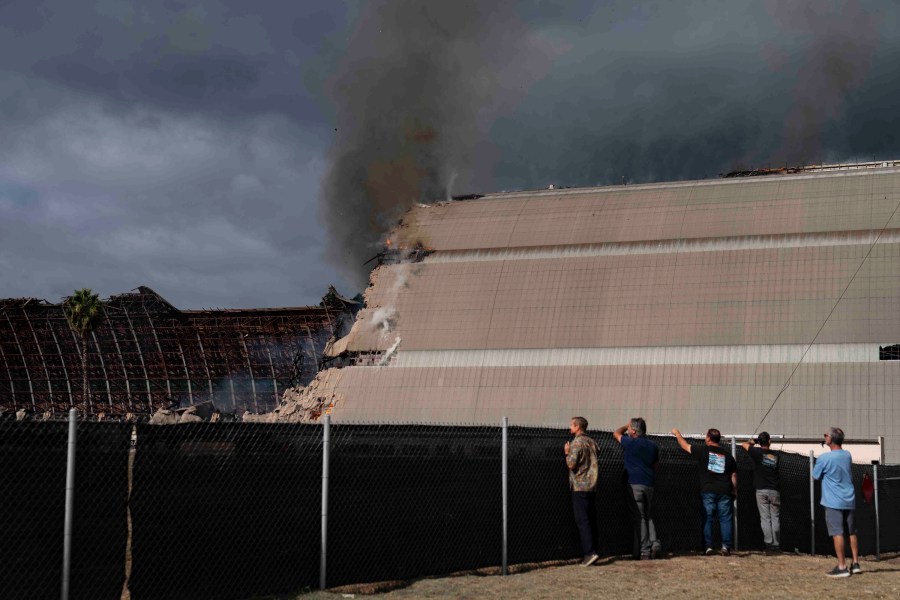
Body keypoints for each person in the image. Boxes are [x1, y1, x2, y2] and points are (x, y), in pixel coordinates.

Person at [672, 427, 737, 556]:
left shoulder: (703, 450)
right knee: (725, 519)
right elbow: (733, 475)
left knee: (708, 519)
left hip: (708, 490)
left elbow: (685, 446)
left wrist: (677, 433)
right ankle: (725, 547)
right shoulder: (729, 456)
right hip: (724, 491)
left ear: (708, 438)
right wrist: (734, 490)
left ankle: (708, 547)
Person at [812, 427, 861, 577]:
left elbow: (815, 476)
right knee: (851, 531)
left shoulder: (824, 458)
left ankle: (842, 567)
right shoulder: (847, 455)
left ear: (831, 439)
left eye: (826, 435)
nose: (824, 436)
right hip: (849, 498)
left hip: (834, 501)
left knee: (837, 532)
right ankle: (855, 563)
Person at [614, 417, 662, 560]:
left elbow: (616, 433)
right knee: (648, 515)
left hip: (634, 484)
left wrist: (625, 425)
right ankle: (655, 543)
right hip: (649, 484)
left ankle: (644, 550)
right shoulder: (653, 446)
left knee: (639, 517)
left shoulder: (630, 443)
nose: (628, 431)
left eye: (630, 429)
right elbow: (655, 466)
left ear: (633, 431)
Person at [565, 416, 600, 566]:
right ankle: (593, 550)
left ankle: (589, 553)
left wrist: (567, 452)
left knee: (582, 520)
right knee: (591, 519)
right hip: (592, 484)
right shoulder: (592, 442)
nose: (570, 428)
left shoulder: (577, 442)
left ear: (578, 427)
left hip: (579, 485)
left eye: (572, 425)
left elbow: (571, 464)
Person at [741, 432, 781, 553]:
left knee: (765, 518)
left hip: (761, 489)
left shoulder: (756, 453)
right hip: (774, 490)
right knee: (775, 518)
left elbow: (744, 444)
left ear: (760, 442)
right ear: (769, 441)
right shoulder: (776, 455)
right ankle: (776, 545)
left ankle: (768, 544)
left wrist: (753, 441)